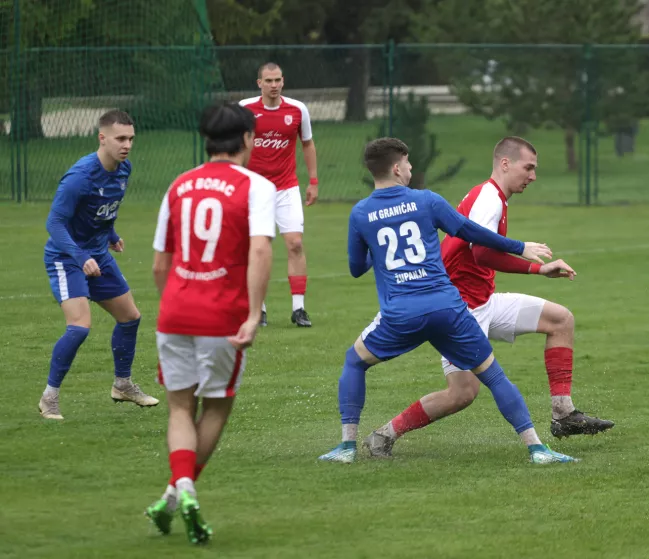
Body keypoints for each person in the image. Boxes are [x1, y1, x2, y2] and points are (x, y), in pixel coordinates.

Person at [318, 137, 577, 465]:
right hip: (450, 307)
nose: (412, 168)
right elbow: (470, 233)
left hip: (403, 313)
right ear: (397, 168)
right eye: (409, 163)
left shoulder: (360, 213)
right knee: (492, 377)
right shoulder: (427, 200)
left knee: (355, 362)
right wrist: (519, 246)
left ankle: (346, 447)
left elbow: (356, 268)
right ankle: (537, 449)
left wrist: (378, 253)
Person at [143, 101, 276, 544]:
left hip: (176, 311)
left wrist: (174, 306)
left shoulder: (178, 185)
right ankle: (184, 491)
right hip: (223, 315)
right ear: (247, 140)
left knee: (181, 406)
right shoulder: (255, 186)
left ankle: (175, 488)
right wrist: (254, 314)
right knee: (216, 404)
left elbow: (160, 264)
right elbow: (259, 251)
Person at [39, 110, 158, 420]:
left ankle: (122, 385)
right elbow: (54, 223)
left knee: (130, 317)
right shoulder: (80, 177)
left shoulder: (123, 169)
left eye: (131, 138)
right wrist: (81, 257)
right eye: (120, 138)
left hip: (97, 255)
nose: (127, 145)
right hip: (67, 259)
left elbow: (105, 209)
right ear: (101, 138)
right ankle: (49, 397)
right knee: (79, 327)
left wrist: (112, 235)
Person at [240, 62, 317, 327]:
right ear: (259, 83)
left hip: (287, 188)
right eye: (268, 81)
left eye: (277, 80)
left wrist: (313, 181)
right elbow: (233, 144)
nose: (273, 85)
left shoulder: (297, 110)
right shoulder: (245, 109)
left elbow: (307, 143)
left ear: (283, 81)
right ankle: (259, 308)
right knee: (258, 249)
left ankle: (299, 309)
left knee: (295, 243)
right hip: (254, 191)